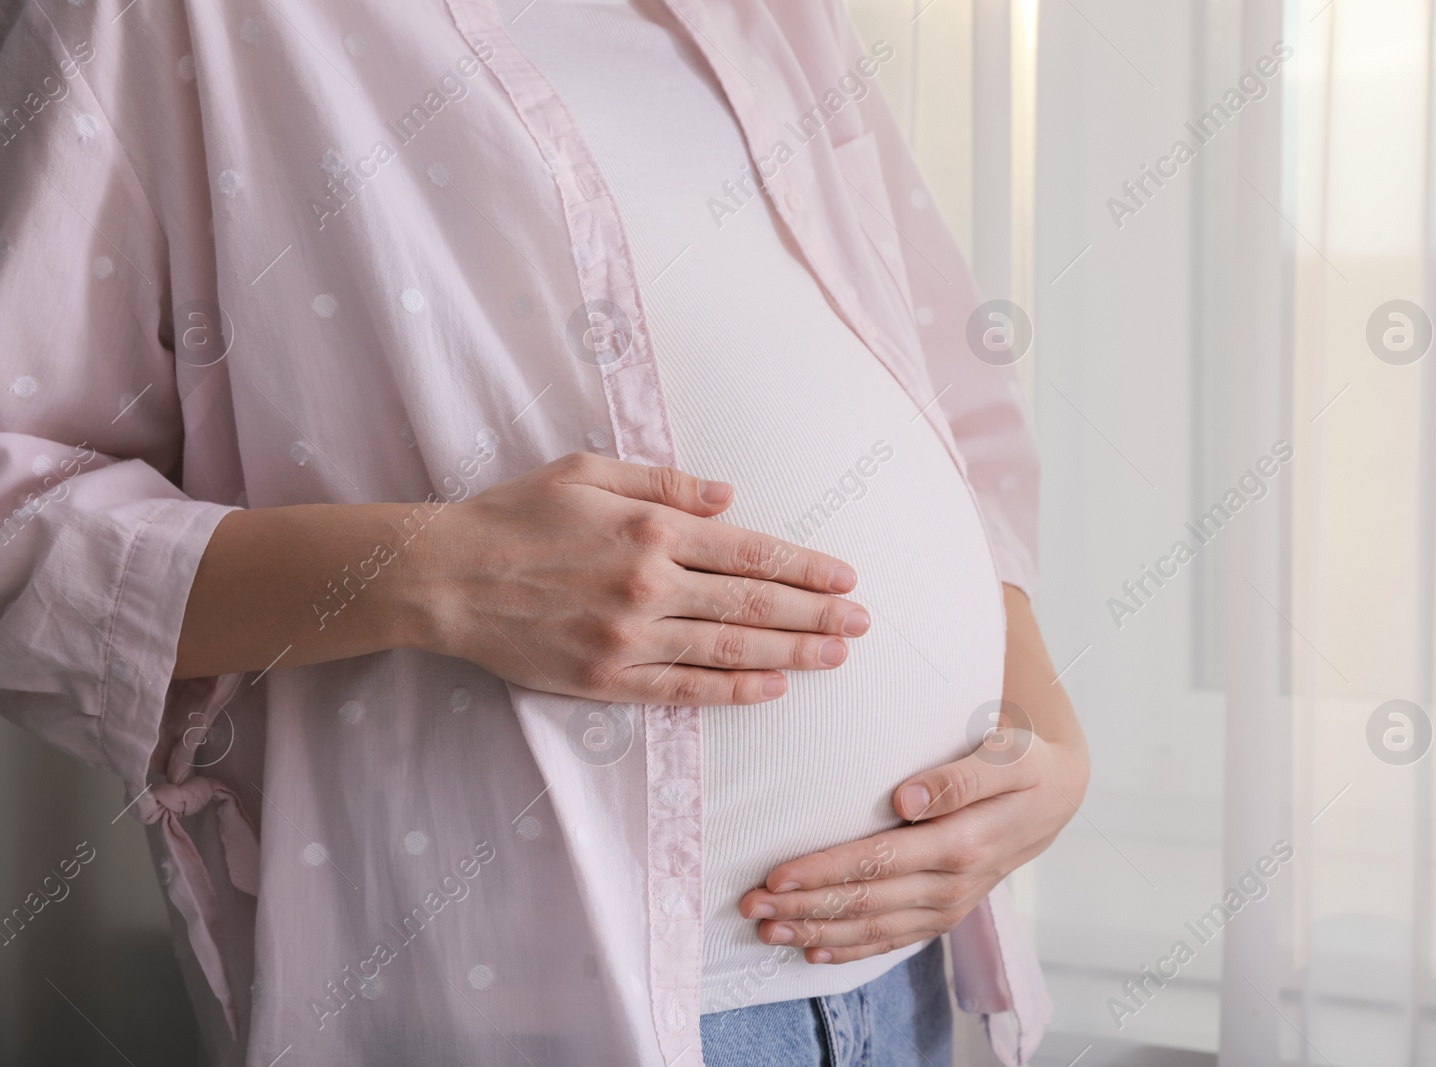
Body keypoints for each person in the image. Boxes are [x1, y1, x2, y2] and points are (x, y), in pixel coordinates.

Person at [0, 0, 1088, 1063]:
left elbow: (948, 396)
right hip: (544, 1007)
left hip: (906, 979)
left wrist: (1042, 732)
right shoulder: (162, 20)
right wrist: (432, 572)